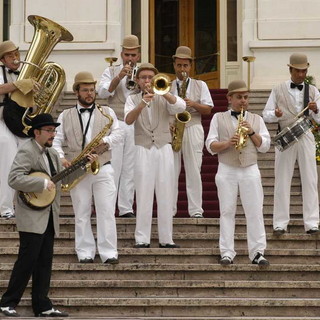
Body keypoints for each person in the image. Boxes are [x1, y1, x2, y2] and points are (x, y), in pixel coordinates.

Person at [0, 113, 96, 317]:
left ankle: (42, 305)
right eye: (49, 130)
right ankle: (7, 302)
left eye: (54, 131)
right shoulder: (27, 150)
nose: (53, 134)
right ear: (37, 132)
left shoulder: (52, 154)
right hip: (32, 216)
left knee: (44, 262)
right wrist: (42, 183)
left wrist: (84, 165)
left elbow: (63, 180)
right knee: (27, 261)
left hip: (49, 216)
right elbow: (14, 178)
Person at [53, 71, 122, 263]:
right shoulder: (64, 115)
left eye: (92, 90)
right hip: (76, 168)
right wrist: (61, 158)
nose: (90, 93)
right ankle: (84, 252)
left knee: (106, 210)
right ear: (76, 92)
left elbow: (119, 134)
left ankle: (109, 253)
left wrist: (105, 143)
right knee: (81, 212)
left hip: (103, 166)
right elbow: (56, 140)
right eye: (85, 90)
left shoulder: (107, 112)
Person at [206, 80, 270, 266]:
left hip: (250, 169)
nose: (243, 101)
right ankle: (227, 252)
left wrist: (251, 133)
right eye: (239, 97)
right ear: (229, 98)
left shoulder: (257, 119)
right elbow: (210, 145)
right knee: (226, 211)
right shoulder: (218, 118)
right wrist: (227, 143)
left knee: (255, 211)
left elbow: (265, 146)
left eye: (246, 97)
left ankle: (257, 252)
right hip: (226, 169)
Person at [124, 63, 186, 248]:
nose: (147, 81)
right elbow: (127, 120)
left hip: (163, 147)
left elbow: (181, 106)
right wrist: (142, 103)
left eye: (150, 78)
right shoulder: (132, 99)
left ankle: (166, 238)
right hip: (142, 148)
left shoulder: (164, 97)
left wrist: (164, 92)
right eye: (143, 78)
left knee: (166, 192)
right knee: (143, 193)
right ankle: (142, 238)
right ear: (137, 80)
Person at [263, 53, 320, 235]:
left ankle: (312, 223)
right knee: (282, 179)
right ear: (290, 70)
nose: (301, 75)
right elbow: (266, 114)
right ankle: (280, 223)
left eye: (304, 71)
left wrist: (316, 109)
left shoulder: (313, 91)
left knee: (310, 179)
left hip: (305, 136)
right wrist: (276, 115)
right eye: (298, 71)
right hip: (285, 135)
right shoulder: (278, 89)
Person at [98, 35, 141, 218]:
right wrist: (119, 77)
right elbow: (102, 92)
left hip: (134, 123)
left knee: (130, 168)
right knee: (113, 165)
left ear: (138, 55)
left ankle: (126, 207)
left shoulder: (143, 71)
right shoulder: (110, 70)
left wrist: (139, 82)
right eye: (127, 55)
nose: (130, 59)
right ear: (122, 54)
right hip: (115, 123)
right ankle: (109, 205)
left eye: (133, 55)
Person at [170, 46, 213, 218]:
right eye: (179, 65)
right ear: (174, 65)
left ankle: (196, 210)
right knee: (170, 171)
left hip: (193, 126)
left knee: (194, 170)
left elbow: (208, 109)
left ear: (190, 66)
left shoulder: (200, 85)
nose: (182, 70)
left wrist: (193, 104)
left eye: (185, 66)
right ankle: (170, 210)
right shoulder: (167, 85)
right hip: (173, 128)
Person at [0, 40, 38, 219]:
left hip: (21, 122)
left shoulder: (25, 72)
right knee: (7, 158)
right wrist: (20, 84)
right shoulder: (0, 72)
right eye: (10, 55)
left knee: (28, 158)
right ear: (2, 59)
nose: (15, 58)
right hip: (2, 120)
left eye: (16, 54)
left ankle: (28, 204)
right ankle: (5, 207)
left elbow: (31, 103)